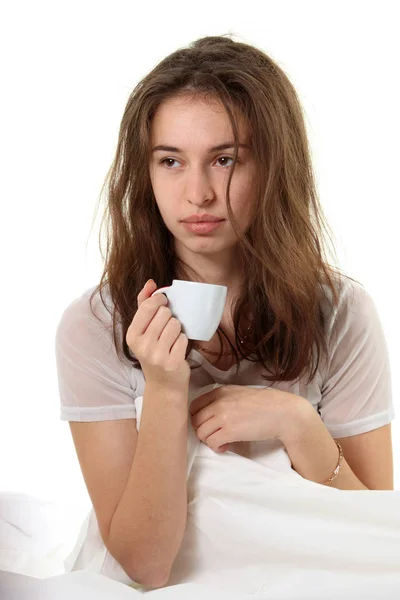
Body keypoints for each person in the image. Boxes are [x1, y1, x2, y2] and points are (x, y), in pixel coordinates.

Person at [54, 35, 396, 594]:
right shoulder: (94, 326)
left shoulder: (342, 314)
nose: (198, 193)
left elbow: (380, 538)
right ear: (147, 174)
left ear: (274, 166)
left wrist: (296, 423)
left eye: (225, 159)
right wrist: (166, 391)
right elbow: (145, 567)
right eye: (171, 161)